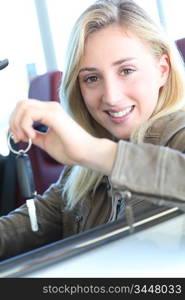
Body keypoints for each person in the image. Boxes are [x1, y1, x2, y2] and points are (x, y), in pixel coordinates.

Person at [1, 0, 185, 261]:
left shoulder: (178, 133)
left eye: (126, 70)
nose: (110, 97)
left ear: (162, 70)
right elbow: (31, 225)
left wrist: (94, 151)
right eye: (92, 78)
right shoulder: (84, 169)